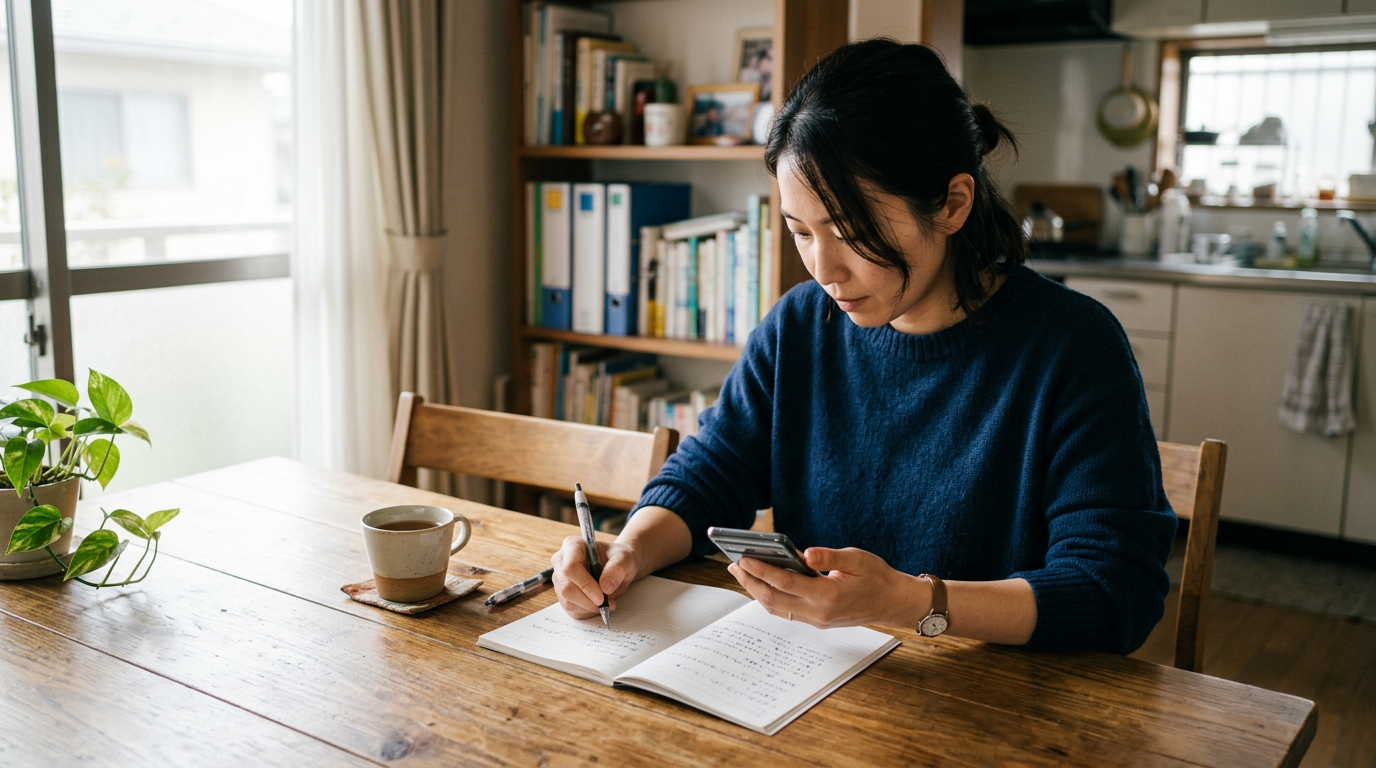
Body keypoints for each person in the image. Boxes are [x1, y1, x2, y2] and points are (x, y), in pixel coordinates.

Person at [552, 39, 1176, 654]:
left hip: (1001, 696)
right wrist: (627, 550)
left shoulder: (1073, 347)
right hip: (813, 679)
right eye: (801, 232)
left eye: (852, 232)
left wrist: (909, 602)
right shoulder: (801, 325)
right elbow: (710, 473)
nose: (824, 270)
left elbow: (1114, 589)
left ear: (953, 204)